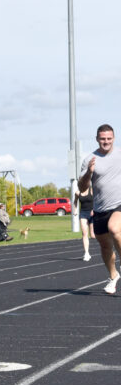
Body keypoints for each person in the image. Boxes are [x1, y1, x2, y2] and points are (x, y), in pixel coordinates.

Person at [79, 124, 121, 294]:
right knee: (105, 246)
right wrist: (89, 172)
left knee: (115, 229)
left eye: (109, 138)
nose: (106, 142)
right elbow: (82, 187)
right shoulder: (89, 159)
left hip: (118, 204)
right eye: (103, 139)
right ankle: (113, 276)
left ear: (114, 138)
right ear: (97, 139)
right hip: (99, 209)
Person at [74, 187, 95, 261]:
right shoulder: (77, 193)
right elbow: (75, 201)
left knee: (92, 235)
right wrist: (75, 210)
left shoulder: (92, 190)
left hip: (93, 214)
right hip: (83, 213)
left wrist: (94, 209)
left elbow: (98, 200)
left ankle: (108, 245)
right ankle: (86, 253)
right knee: (84, 233)